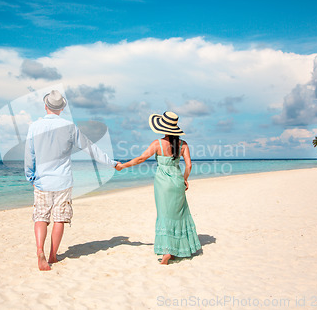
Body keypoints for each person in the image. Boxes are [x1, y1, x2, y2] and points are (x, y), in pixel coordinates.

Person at [25, 90, 119, 271]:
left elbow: (29, 155)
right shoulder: (69, 127)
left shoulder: (34, 127)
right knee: (59, 218)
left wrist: (30, 176)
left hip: (42, 181)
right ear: (61, 108)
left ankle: (39, 251)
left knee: (40, 216)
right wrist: (112, 163)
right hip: (63, 181)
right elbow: (91, 148)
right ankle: (53, 254)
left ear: (46, 106)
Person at [116, 111, 201, 264]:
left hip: (162, 184)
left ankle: (167, 251)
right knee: (178, 215)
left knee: (164, 215)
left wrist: (123, 166)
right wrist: (185, 179)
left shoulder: (158, 144)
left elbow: (141, 158)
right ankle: (176, 249)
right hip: (177, 182)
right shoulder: (183, 145)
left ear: (163, 127)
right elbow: (189, 165)